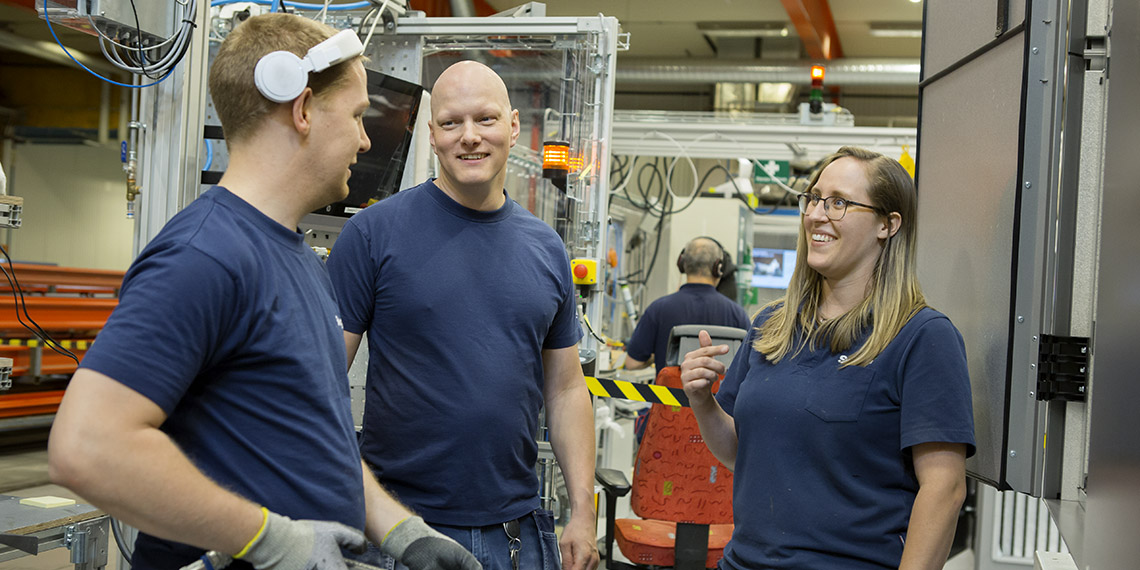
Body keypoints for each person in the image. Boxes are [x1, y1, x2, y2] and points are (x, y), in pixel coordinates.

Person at [47, 13, 480, 570]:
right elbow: (86, 447)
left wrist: (402, 532)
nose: (365, 137)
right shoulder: (205, 256)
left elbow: (316, 435)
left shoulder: (295, 256)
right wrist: (272, 540)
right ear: (301, 111)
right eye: (354, 115)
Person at [325, 60, 600, 570]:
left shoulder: (546, 248)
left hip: (513, 530)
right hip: (400, 531)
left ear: (514, 127)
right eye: (451, 123)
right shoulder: (373, 234)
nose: (469, 137)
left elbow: (565, 389)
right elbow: (320, 381)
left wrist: (582, 510)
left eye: (486, 120)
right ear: (431, 134)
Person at [680, 146, 975, 569]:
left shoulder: (923, 338)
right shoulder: (770, 326)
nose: (817, 215)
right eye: (814, 198)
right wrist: (703, 401)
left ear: (887, 225)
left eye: (839, 203)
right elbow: (740, 452)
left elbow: (944, 490)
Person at [623, 236, 750, 375]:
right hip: (716, 397)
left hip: (666, 396)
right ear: (718, 268)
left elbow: (632, 363)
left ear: (682, 264)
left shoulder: (657, 309)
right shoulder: (737, 314)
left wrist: (659, 356)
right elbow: (748, 365)